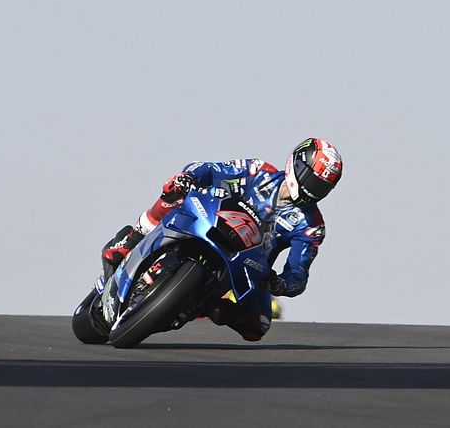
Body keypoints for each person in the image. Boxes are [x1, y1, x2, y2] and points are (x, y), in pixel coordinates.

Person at [100, 137, 343, 341]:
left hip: (245, 263)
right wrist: (189, 177)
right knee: (175, 190)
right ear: (297, 163)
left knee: (258, 325)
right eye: (313, 180)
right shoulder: (258, 171)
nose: (313, 190)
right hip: (209, 223)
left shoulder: (311, 227)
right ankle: (135, 236)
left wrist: (279, 283)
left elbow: (298, 274)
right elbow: (211, 169)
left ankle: (209, 306)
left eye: (322, 187)